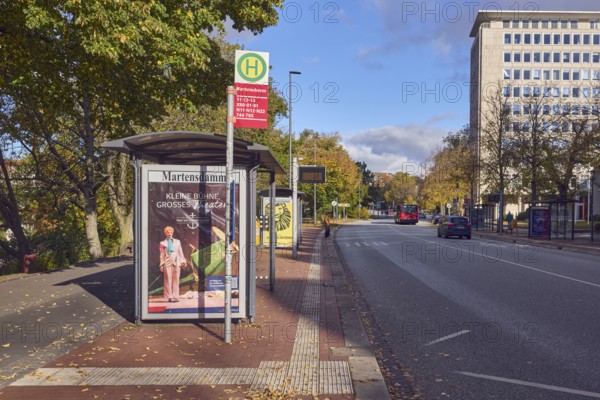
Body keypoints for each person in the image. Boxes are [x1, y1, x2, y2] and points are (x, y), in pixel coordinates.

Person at [159, 226, 187, 302]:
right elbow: (162, 255)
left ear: (173, 232)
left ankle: (175, 296)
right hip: (167, 262)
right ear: (165, 233)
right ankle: (169, 297)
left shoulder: (178, 241)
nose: (169, 233)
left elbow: (180, 252)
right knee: (167, 280)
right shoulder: (162, 243)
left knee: (176, 280)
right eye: (168, 232)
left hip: (177, 262)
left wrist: (183, 261)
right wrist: (161, 264)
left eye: (171, 232)